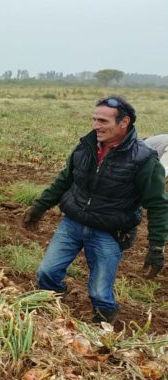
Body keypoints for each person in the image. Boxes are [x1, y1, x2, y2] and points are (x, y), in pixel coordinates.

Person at [22, 96, 167, 324]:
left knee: (100, 293)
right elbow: (65, 179)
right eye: (94, 119)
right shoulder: (86, 147)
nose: (96, 126)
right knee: (46, 274)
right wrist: (40, 206)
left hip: (109, 231)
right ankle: (54, 308)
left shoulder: (144, 159)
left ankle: (102, 326)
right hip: (73, 223)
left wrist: (156, 247)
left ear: (124, 122)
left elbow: (158, 204)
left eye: (102, 121)